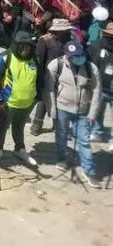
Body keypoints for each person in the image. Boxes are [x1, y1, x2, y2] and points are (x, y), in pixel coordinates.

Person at [44, 39, 102, 188]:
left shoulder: (91, 68)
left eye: (78, 55)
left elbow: (97, 91)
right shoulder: (56, 65)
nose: (75, 58)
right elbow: (49, 89)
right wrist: (52, 110)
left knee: (84, 140)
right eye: (71, 56)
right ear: (66, 55)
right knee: (61, 136)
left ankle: (89, 171)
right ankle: (62, 158)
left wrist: (93, 113)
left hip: (83, 110)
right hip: (62, 107)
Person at [0, 30, 40, 167]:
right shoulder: (4, 57)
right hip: (8, 103)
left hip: (27, 103)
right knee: (1, 127)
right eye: (22, 46)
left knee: (19, 127)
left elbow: (39, 78)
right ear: (16, 45)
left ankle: (20, 150)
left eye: (28, 46)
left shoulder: (34, 58)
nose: (25, 49)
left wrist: (37, 97)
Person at [29, 16, 73, 136]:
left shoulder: (70, 40)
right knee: (44, 100)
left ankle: (58, 126)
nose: (67, 32)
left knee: (62, 100)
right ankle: (36, 126)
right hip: (48, 73)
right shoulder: (45, 40)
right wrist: (40, 75)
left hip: (65, 73)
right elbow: (39, 58)